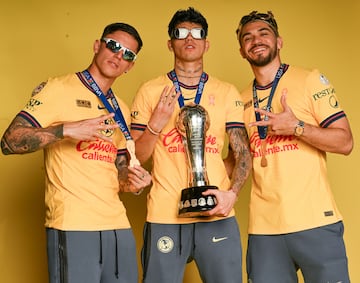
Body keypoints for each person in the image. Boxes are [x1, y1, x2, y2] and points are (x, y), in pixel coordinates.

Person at [1, 22, 152, 283]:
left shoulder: (121, 109)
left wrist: (134, 180)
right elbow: (9, 142)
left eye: (128, 54)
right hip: (73, 224)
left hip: (117, 226)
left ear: (130, 66)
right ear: (97, 45)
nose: (118, 55)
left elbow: (118, 172)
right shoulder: (57, 88)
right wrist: (65, 130)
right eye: (114, 45)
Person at [130, 7, 252, 283]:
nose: (189, 38)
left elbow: (241, 152)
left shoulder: (226, 92)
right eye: (180, 32)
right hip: (165, 215)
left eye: (197, 33)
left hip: (217, 212)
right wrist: (156, 124)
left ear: (206, 44)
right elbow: (136, 156)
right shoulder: (150, 91)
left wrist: (231, 193)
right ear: (170, 42)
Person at [235, 11, 353, 283]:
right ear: (241, 50)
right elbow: (240, 161)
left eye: (264, 33)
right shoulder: (239, 100)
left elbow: (345, 142)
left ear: (279, 41)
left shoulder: (309, 80)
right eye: (247, 37)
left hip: (316, 222)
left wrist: (297, 127)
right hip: (265, 231)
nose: (256, 40)